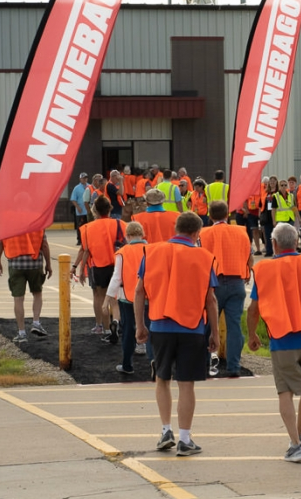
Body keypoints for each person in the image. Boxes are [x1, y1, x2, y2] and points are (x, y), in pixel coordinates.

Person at [135, 212, 220, 457]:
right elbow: (210, 300)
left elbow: (140, 291)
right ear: (197, 233)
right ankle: (185, 439)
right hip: (192, 327)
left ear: (176, 229)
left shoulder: (151, 252)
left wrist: (141, 325)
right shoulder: (204, 257)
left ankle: (165, 431)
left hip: (160, 325)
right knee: (186, 383)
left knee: (162, 379)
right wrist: (214, 333)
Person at [247, 223, 301, 462]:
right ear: (296, 242)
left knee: (285, 391)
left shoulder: (264, 269)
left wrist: (252, 334)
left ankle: (294, 444)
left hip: (281, 337)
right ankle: (299, 432)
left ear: (273, 244)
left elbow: (254, 309)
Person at [199, 201, 253, 378]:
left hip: (213, 284)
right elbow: (249, 255)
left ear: (210, 216)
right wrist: (247, 273)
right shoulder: (241, 232)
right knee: (234, 326)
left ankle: (205, 363)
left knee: (207, 325)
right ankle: (233, 366)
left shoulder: (204, 233)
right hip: (237, 281)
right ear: (227, 215)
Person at [73, 196, 128, 338]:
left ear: (95, 211)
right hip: (117, 266)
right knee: (115, 299)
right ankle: (116, 321)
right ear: (110, 209)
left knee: (100, 297)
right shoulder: (121, 224)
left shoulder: (87, 228)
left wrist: (80, 269)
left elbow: (86, 250)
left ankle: (106, 329)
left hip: (98, 266)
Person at [105, 221, 151, 375]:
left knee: (128, 331)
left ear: (128, 236)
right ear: (142, 234)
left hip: (127, 297)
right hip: (149, 296)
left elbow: (116, 277)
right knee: (151, 328)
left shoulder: (123, 252)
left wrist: (108, 298)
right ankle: (154, 362)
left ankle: (127, 365)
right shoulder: (151, 250)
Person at [0, 229, 53, 344]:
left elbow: (1, 243)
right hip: (35, 264)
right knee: (37, 293)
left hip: (15, 264)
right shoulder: (38, 224)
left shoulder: (9, 224)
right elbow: (44, 245)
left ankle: (22, 333)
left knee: (18, 298)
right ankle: (36, 322)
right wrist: (48, 265)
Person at [260, 175, 278, 256]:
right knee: (267, 234)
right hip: (267, 215)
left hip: (276, 215)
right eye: (271, 182)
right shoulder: (266, 192)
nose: (272, 183)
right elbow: (261, 204)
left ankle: (277, 251)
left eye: (274, 181)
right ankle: (269, 251)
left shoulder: (278, 192)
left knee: (276, 235)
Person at [71, 172, 89, 244]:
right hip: (81, 211)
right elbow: (73, 199)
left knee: (88, 226)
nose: (85, 179)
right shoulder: (77, 188)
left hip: (88, 210)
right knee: (80, 225)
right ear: (80, 179)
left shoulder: (89, 187)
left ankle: (87, 239)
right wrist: (77, 207)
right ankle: (79, 239)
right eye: (83, 178)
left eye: (86, 178)